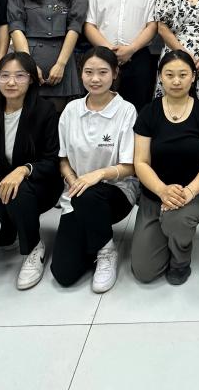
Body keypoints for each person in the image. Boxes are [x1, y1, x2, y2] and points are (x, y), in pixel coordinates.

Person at [0, 52, 63, 291]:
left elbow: (52, 160)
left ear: (31, 79)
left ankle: (33, 247)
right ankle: (15, 227)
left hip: (41, 182)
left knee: (18, 191)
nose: (11, 82)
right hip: (4, 184)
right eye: (4, 76)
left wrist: (25, 169)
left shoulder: (45, 110)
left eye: (20, 76)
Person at [50, 47, 139, 292]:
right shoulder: (71, 110)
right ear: (81, 74)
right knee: (64, 273)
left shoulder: (126, 110)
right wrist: (74, 180)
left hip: (115, 193)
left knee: (90, 195)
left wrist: (96, 175)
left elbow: (130, 166)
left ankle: (106, 250)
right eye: (88, 72)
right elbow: (63, 159)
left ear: (115, 73)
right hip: (77, 195)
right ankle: (93, 240)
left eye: (102, 72)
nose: (95, 79)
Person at [131, 51, 199, 285]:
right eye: (169, 75)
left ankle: (180, 260)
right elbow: (140, 162)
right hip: (154, 195)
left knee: (176, 222)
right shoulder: (149, 113)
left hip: (192, 194)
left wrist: (189, 192)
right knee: (144, 271)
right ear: (160, 77)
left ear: (193, 77)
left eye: (183, 75)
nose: (176, 81)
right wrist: (162, 191)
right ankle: (167, 230)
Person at [8, 0, 88, 113]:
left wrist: (61, 64)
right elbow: (16, 28)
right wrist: (28, 66)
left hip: (62, 61)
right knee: (27, 118)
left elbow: (74, 28)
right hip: (28, 60)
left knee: (59, 119)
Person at [84, 0, 158, 111]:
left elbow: (152, 25)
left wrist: (131, 49)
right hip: (103, 58)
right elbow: (89, 25)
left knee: (139, 108)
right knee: (101, 108)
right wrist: (109, 50)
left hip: (139, 57)